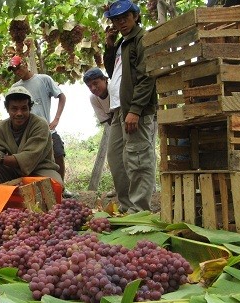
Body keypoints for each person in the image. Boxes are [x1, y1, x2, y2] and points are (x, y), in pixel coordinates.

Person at [102, 0, 157, 213]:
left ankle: (140, 210)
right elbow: (112, 73)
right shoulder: (122, 43)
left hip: (135, 110)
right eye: (116, 19)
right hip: (118, 110)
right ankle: (127, 207)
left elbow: (146, 76)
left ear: (135, 16)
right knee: (117, 160)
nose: (121, 22)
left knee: (138, 159)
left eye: (125, 17)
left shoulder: (142, 39)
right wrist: (109, 46)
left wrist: (135, 110)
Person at [7, 55, 73, 198]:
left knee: (58, 154)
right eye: (14, 70)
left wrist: (56, 118)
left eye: (18, 67)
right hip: (27, 133)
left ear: (25, 63)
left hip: (47, 129)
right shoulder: (15, 88)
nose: (17, 71)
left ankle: (61, 189)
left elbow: (61, 96)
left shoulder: (44, 80)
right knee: (27, 160)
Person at [0, 86, 63, 187]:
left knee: (56, 185)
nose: (19, 113)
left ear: (30, 108)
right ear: (7, 109)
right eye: (14, 109)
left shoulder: (40, 124)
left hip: (40, 169)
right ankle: (9, 195)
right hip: (15, 171)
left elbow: (29, 157)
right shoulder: (0, 128)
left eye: (24, 109)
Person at [82, 67, 116, 198]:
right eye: (89, 86)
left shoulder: (114, 89)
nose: (93, 88)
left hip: (131, 121)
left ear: (105, 80)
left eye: (96, 83)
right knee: (114, 156)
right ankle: (119, 188)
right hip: (115, 124)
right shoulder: (94, 99)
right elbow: (108, 120)